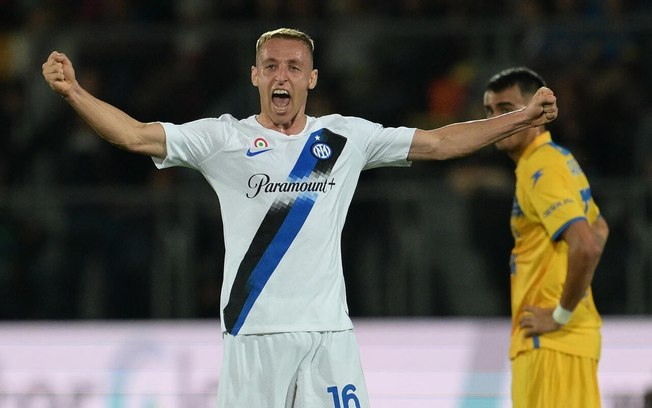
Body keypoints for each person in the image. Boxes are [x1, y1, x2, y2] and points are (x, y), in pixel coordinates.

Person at [43, 28, 557, 407]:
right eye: (270, 66)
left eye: (292, 67)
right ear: (255, 76)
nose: (280, 75)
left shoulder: (344, 137)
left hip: (329, 337)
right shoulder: (225, 138)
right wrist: (74, 93)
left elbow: (441, 143)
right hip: (254, 337)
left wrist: (524, 115)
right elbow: (134, 135)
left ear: (311, 78)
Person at [483, 66, 609, 408]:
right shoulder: (558, 159)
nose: (496, 120)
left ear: (536, 113)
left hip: (551, 345)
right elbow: (600, 227)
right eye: (490, 112)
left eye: (506, 110)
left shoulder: (541, 168)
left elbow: (587, 242)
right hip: (565, 346)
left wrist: (560, 314)